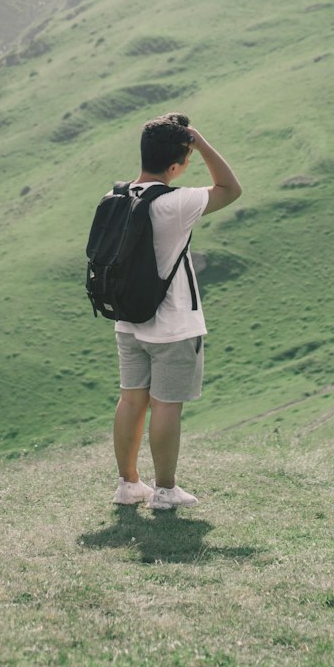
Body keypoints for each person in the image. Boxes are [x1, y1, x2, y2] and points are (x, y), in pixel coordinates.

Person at [111, 112, 242, 510]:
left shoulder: (117, 196)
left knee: (131, 400)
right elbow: (230, 189)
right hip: (172, 325)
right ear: (175, 165)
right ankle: (165, 491)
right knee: (166, 405)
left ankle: (128, 485)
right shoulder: (177, 203)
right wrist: (200, 143)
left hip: (128, 319)